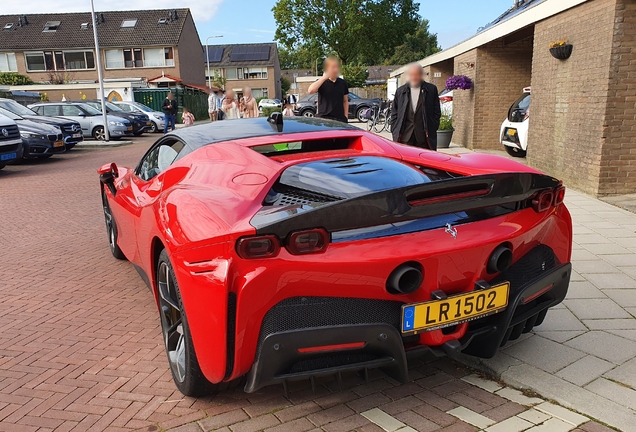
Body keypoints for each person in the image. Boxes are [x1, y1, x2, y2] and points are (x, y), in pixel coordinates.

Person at [390, 63, 441, 150]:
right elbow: (394, 113)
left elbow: (436, 112)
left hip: (424, 137)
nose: (414, 77)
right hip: (405, 137)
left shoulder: (431, 90)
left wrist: (432, 127)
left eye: (416, 74)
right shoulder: (400, 91)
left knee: (424, 162)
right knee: (405, 163)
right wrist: (395, 129)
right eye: (411, 75)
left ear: (421, 75)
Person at [307, 56, 349, 123]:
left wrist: (345, 116)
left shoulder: (342, 83)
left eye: (337, 67)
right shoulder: (321, 82)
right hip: (324, 119)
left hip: (339, 119)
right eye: (333, 67)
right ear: (327, 68)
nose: (336, 69)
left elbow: (345, 101)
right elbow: (310, 90)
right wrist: (323, 78)